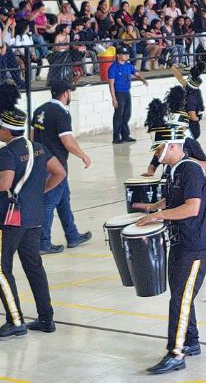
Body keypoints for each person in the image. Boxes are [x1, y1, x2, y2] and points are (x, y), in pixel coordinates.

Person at [133, 121, 206, 374]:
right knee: (181, 295)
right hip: (179, 242)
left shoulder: (190, 170)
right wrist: (154, 207)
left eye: (159, 150)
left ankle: (176, 353)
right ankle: (191, 340)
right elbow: (174, 198)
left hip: (194, 246)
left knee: (180, 298)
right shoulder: (174, 170)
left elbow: (192, 207)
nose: (157, 155)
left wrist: (160, 216)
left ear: (173, 146)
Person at [0, 82, 65, 337]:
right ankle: (46, 318)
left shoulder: (7, 153)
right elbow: (59, 172)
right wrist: (39, 192)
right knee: (33, 266)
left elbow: (4, 184)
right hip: (34, 215)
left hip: (10, 218)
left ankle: (15, 320)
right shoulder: (38, 148)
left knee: (2, 268)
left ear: (7, 129)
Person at [31, 80, 93, 255]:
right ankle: (44, 243)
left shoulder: (39, 110)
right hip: (56, 166)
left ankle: (72, 235)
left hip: (41, 161)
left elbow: (32, 136)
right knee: (49, 201)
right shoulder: (61, 113)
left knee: (63, 199)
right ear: (65, 93)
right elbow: (67, 141)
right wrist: (83, 155)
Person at [141, 95, 206, 177]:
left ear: (184, 128)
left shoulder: (191, 143)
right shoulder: (165, 143)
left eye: (177, 127)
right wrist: (150, 172)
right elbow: (153, 164)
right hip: (167, 181)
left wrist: (184, 158)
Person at [108, 45, 149, 144]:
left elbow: (137, 73)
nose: (127, 56)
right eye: (124, 54)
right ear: (118, 55)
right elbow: (111, 84)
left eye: (127, 54)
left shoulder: (128, 65)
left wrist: (143, 80)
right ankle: (116, 137)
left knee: (127, 114)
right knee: (118, 115)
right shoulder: (113, 67)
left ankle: (125, 135)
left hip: (127, 92)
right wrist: (114, 98)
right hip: (119, 93)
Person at [170, 63, 205, 139]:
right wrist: (171, 66)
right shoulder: (194, 90)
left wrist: (186, 129)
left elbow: (193, 117)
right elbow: (180, 78)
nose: (184, 83)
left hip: (191, 129)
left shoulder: (190, 99)